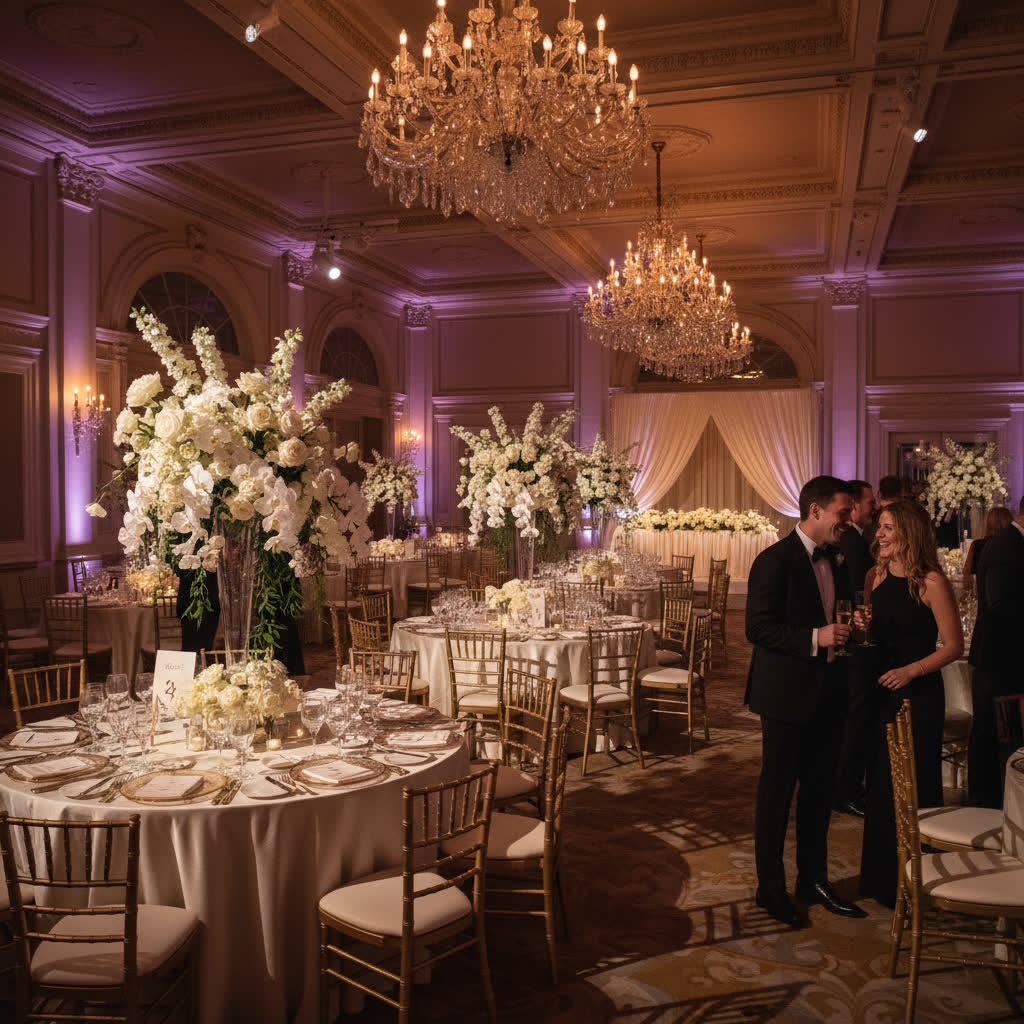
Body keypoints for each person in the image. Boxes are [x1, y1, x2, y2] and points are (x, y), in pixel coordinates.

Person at [745, 475, 865, 926]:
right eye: (842, 512)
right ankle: (770, 888)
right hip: (785, 696)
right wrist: (816, 637)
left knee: (818, 793)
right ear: (815, 511)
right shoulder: (774, 560)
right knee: (777, 795)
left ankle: (813, 880)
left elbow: (843, 609)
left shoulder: (838, 557)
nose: (848, 519)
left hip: (830, 692)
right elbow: (756, 628)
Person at [857, 500, 963, 908]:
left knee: (916, 784)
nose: (879, 535)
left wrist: (911, 670)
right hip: (881, 692)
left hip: (918, 695)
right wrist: (860, 628)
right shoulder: (875, 575)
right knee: (883, 784)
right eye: (878, 528)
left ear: (909, 534)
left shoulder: (930, 581)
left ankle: (922, 881)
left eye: (887, 528)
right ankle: (884, 879)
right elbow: (871, 635)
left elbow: (954, 646)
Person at [967, 496, 1024, 807]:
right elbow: (1001, 604)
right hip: (999, 659)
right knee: (995, 735)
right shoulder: (1006, 546)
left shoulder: (1010, 543)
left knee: (999, 735)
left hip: (1004, 658)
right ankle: (988, 805)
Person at [834, 480, 877, 817]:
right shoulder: (850, 540)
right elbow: (859, 590)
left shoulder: (855, 538)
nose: (871, 508)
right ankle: (847, 788)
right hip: (852, 640)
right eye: (868, 502)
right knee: (855, 715)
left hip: (851, 637)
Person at [962, 506, 1012, 596]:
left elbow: (967, 576)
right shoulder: (1013, 545)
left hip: (984, 600)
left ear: (987, 523)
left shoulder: (978, 545)